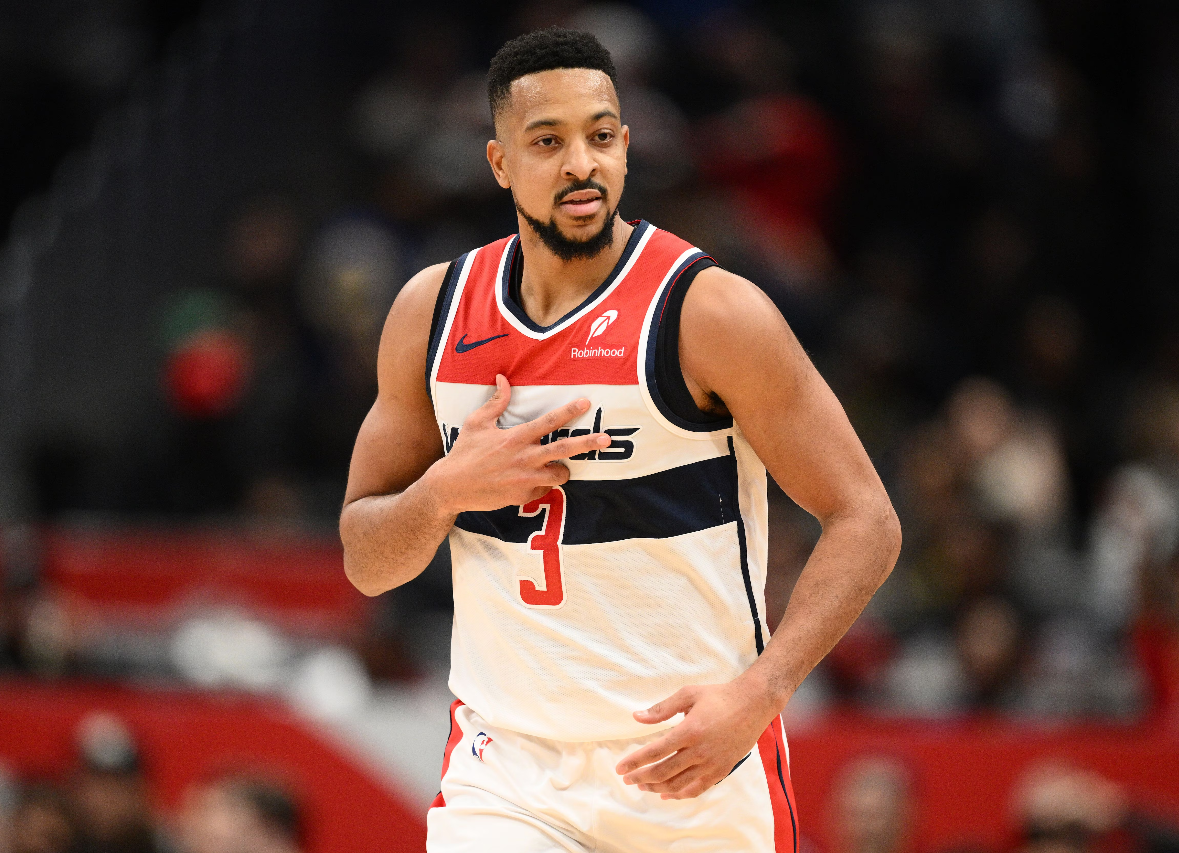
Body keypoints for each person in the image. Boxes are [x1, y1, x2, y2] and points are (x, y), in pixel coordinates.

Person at [339, 27, 901, 853]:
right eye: (548, 141)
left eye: (601, 136)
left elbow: (866, 519)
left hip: (694, 767)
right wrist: (445, 490)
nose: (581, 164)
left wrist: (761, 693)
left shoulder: (710, 312)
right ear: (499, 162)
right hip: (511, 772)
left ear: (627, 148)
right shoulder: (433, 312)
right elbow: (365, 558)